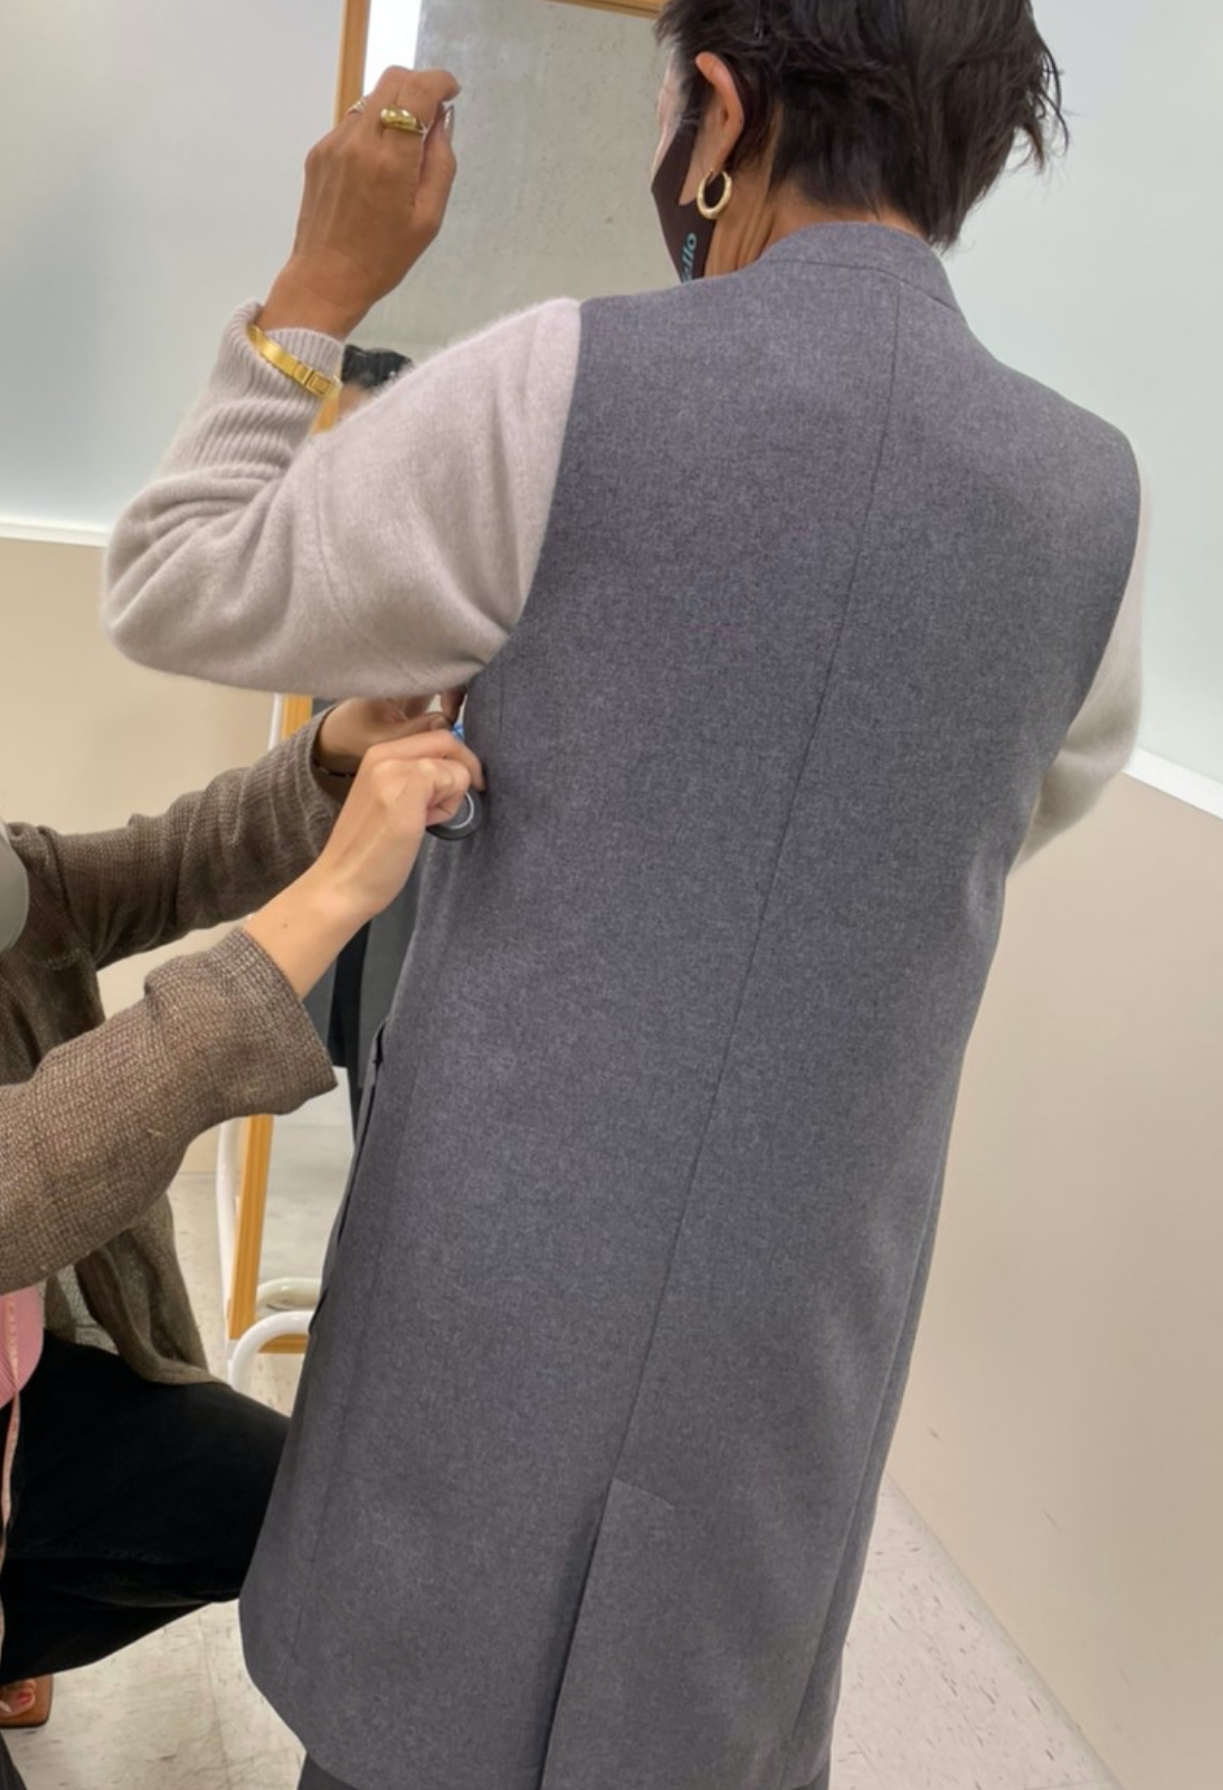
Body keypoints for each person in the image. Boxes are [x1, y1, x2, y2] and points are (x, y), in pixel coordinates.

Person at [103, 5, 1145, 1787]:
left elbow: (179, 581)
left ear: (720, 113)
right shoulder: (1091, 502)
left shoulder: (561, 386)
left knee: (409, 1710)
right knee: (703, 1716)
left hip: (495, 1281)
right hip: (795, 1323)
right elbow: (1012, 816)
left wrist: (316, 289)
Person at [0, 707, 480, 1790]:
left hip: (25, 1399)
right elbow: (26, 1172)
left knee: (296, 1508)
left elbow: (172, 862)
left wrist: (334, 751)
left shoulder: (13, 883)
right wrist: (332, 896)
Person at [305, 343, 427, 1129]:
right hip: (317, 828)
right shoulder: (310, 555)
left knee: (385, 1057)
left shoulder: (452, 563)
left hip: (412, 854)